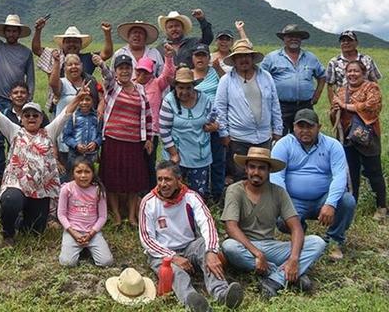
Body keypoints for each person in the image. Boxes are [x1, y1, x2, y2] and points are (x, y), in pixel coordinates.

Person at [0, 81, 86, 245]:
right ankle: (8, 232)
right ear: (22, 119)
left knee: (35, 231)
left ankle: (21, 221)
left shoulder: (49, 132)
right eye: (27, 115)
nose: (31, 118)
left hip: (40, 190)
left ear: (41, 118)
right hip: (17, 185)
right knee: (10, 200)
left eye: (35, 115)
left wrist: (78, 98)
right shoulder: (14, 131)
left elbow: (65, 114)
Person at [221, 147, 326, 298]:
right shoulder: (234, 190)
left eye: (262, 168)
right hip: (245, 247)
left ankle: (275, 279)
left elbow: (296, 227)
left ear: (269, 170)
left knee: (317, 242)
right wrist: (257, 253)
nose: (256, 172)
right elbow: (231, 227)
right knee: (229, 246)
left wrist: (294, 258)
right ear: (246, 168)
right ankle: (288, 275)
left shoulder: (278, 192)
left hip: (271, 246)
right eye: (252, 167)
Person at [140, 161, 243, 312]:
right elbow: (147, 239)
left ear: (178, 180)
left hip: (189, 246)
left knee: (206, 249)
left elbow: (207, 223)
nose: (163, 184)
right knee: (176, 273)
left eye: (167, 179)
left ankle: (221, 294)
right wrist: (172, 257)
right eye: (159, 179)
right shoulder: (148, 202)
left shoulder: (191, 197)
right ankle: (193, 302)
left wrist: (211, 251)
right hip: (162, 254)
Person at [271, 109, 356, 261]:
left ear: (319, 127)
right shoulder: (283, 145)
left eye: (310, 126)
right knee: (281, 219)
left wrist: (330, 203)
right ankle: (300, 233)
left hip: (322, 199)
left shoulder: (332, 145)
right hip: (294, 200)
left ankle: (334, 240)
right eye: (300, 126)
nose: (305, 131)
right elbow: (276, 177)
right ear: (294, 127)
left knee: (347, 201)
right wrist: (285, 205)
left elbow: (340, 176)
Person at [97, 54, 153, 226]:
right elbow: (107, 76)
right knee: (112, 178)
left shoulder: (140, 89)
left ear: (132, 70)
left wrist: (149, 138)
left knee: (133, 180)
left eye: (127, 68)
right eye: (121, 68)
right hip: (113, 140)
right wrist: (102, 65)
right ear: (116, 71)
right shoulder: (113, 86)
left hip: (134, 142)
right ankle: (116, 215)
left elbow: (148, 116)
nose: (124, 71)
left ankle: (131, 216)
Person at [215, 39, 282, 182]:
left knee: (262, 175)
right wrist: (224, 133)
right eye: (239, 56)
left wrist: (278, 129)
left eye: (246, 56)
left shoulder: (266, 77)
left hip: (263, 136)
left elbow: (274, 104)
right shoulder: (226, 80)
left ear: (252, 58)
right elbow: (220, 108)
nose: (243, 59)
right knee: (241, 175)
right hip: (238, 138)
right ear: (234, 60)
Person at [332, 60, 386, 220]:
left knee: (374, 172)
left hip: (367, 138)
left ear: (363, 73)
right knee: (350, 173)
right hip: (347, 138)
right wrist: (335, 110)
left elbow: (371, 106)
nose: (352, 74)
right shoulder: (341, 90)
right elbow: (334, 113)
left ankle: (382, 207)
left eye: (356, 71)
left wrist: (345, 106)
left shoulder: (371, 88)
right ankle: (351, 204)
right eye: (349, 71)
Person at [159, 67, 218, 198]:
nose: (184, 92)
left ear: (193, 87)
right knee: (173, 194)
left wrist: (214, 126)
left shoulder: (204, 99)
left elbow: (214, 117)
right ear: (175, 87)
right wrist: (173, 154)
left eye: (188, 88)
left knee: (197, 196)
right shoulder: (169, 100)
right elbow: (164, 130)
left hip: (200, 155)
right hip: (176, 156)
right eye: (181, 88)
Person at [261, 24, 326, 135]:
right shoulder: (272, 57)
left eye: (297, 36)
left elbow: (322, 76)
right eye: (290, 36)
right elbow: (260, 77)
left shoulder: (311, 57)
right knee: (279, 136)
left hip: (305, 105)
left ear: (301, 39)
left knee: (304, 136)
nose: (294, 39)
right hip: (281, 106)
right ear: (284, 39)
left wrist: (317, 95)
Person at [33, 21, 112, 111]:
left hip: (84, 106)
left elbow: (107, 54)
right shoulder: (55, 57)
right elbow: (37, 50)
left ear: (80, 44)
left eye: (75, 42)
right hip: (60, 105)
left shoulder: (88, 58)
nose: (72, 44)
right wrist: (38, 30)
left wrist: (107, 33)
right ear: (63, 44)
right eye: (68, 42)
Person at [130, 46, 176, 190]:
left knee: (149, 163)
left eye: (146, 72)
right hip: (134, 132)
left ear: (151, 73)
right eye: (140, 71)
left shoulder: (157, 84)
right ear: (136, 70)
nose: (142, 74)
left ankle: (151, 192)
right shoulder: (130, 85)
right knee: (135, 164)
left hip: (151, 132)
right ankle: (136, 192)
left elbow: (168, 74)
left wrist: (168, 57)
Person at [0, 81, 50, 183]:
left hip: (39, 159)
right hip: (15, 160)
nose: (19, 95)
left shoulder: (38, 114)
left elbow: (49, 136)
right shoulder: (6, 115)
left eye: (23, 92)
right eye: (15, 93)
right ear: (10, 96)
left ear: (28, 95)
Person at [57, 157, 113, 267]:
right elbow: (61, 214)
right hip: (72, 232)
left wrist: (91, 233)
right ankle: (80, 248)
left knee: (106, 262)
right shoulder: (67, 189)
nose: (83, 176)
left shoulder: (98, 190)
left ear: (93, 173)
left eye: (87, 172)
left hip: (92, 233)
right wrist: (73, 233)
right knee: (67, 263)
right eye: (79, 172)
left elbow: (102, 216)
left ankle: (86, 248)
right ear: (73, 174)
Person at [50, 53, 102, 170]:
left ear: (82, 66)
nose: (74, 67)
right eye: (70, 65)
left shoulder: (90, 81)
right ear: (65, 68)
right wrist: (57, 62)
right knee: (68, 174)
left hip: (87, 143)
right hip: (66, 140)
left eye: (76, 64)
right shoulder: (62, 83)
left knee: (86, 174)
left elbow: (100, 99)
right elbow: (53, 84)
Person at [192, 43, 224, 203]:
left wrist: (218, 123)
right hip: (196, 127)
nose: (200, 59)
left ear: (208, 58)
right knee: (199, 160)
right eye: (197, 56)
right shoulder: (187, 75)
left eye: (203, 56)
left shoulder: (214, 72)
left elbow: (227, 85)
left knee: (218, 160)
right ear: (192, 58)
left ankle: (217, 195)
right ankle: (200, 194)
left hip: (216, 124)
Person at [326, 30, 382, 104]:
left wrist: (376, 102)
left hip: (365, 103)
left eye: (349, 40)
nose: (346, 43)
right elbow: (330, 86)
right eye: (343, 41)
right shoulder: (334, 62)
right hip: (343, 103)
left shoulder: (367, 60)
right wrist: (333, 106)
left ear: (356, 43)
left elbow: (374, 82)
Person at [61, 93, 102, 176]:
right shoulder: (73, 117)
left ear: (93, 101)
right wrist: (76, 145)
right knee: (74, 175)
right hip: (75, 155)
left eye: (88, 99)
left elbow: (100, 135)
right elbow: (66, 136)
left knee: (90, 176)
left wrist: (96, 143)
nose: (84, 102)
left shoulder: (97, 117)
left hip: (91, 156)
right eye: (81, 100)